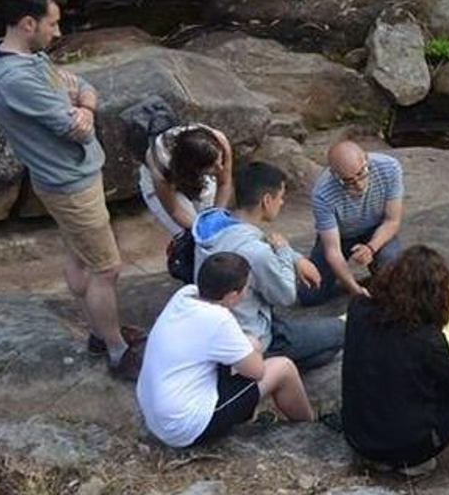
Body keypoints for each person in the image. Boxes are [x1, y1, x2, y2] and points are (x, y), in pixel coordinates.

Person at [0, 0, 143, 378]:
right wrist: (84, 106)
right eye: (52, 23)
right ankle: (115, 351)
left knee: (79, 255)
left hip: (65, 178)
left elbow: (79, 83)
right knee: (106, 268)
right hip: (70, 182)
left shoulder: (17, 55)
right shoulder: (15, 80)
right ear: (28, 24)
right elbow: (76, 129)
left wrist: (82, 101)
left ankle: (102, 331)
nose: (58, 32)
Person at [137, 251, 315, 448]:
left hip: (156, 413)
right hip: (183, 426)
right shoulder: (219, 319)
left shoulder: (184, 295)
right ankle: (310, 428)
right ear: (231, 296)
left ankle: (245, 416)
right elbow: (257, 372)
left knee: (234, 359)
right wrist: (253, 344)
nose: (247, 293)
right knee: (283, 367)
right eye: (246, 288)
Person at [342, 245, 449, 475]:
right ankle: (414, 455)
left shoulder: (359, 307)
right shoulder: (427, 339)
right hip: (406, 450)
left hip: (358, 438)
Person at [192, 161, 343, 371]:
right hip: (252, 336)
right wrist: (283, 252)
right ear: (267, 200)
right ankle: (267, 366)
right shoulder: (256, 252)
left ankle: (278, 365)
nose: (282, 203)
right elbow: (286, 295)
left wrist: (296, 258)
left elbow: (258, 238)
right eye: (281, 198)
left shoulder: (213, 224)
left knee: (323, 353)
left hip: (220, 328)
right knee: (338, 333)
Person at [299, 140, 406, 304]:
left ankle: (379, 272)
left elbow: (392, 220)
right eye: (348, 181)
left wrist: (371, 247)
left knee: (396, 279)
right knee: (310, 296)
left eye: (361, 174)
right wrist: (354, 290)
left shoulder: (389, 167)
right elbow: (332, 250)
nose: (358, 184)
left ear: (366, 160)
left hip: (377, 228)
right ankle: (343, 278)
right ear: (334, 175)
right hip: (341, 235)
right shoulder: (322, 194)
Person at [139, 123, 233, 234]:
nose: (220, 169)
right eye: (212, 167)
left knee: (209, 216)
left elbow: (224, 183)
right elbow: (176, 211)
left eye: (220, 161)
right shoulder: (161, 172)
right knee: (188, 233)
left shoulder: (219, 141)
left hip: (192, 172)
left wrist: (216, 217)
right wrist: (203, 233)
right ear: (195, 169)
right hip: (165, 181)